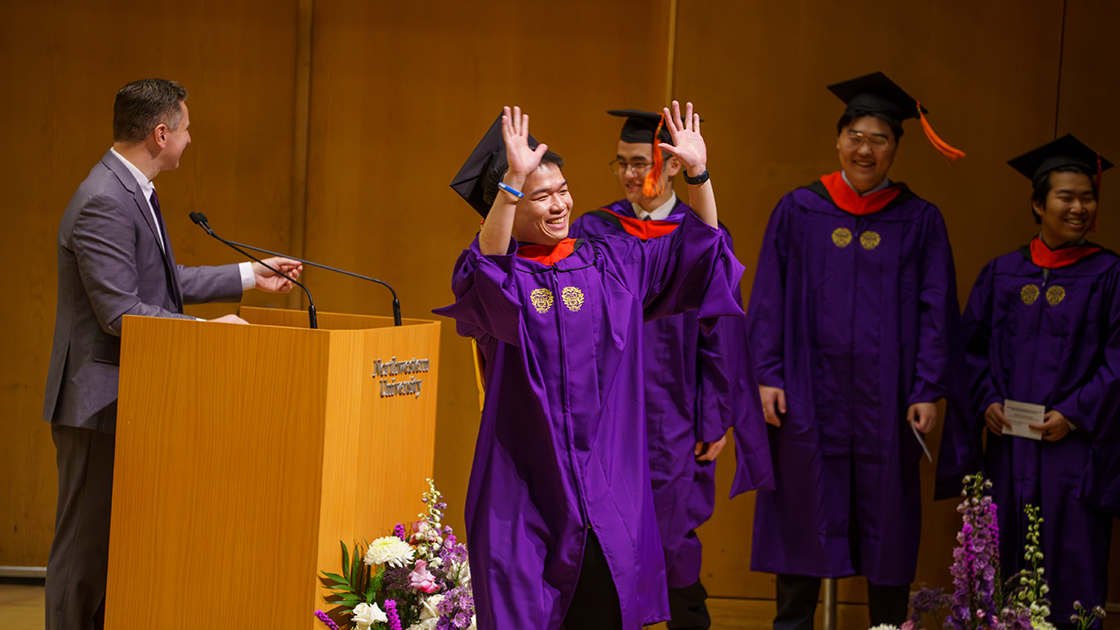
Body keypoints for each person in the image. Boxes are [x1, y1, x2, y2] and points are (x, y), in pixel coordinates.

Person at [436, 102, 743, 630]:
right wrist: (512, 179)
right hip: (525, 489)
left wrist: (698, 175)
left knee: (604, 607)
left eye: (563, 191)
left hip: (608, 484)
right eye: (541, 196)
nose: (559, 206)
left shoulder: (610, 263)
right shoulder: (495, 277)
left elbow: (700, 254)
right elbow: (486, 271)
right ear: (507, 202)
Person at [42, 78, 302, 630]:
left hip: (132, 396)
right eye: (185, 128)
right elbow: (121, 313)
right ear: (161, 133)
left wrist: (250, 275)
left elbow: (163, 282)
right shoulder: (105, 200)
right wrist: (206, 332)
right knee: (84, 557)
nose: (190, 138)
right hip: (97, 405)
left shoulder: (132, 189)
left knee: (117, 553)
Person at [745, 72, 966, 629]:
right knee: (800, 513)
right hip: (805, 393)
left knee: (885, 521)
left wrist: (928, 388)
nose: (866, 149)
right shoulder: (798, 210)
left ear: (896, 147)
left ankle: (888, 627)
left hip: (886, 402)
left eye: (880, 139)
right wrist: (766, 375)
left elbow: (936, 312)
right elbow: (766, 297)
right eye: (856, 136)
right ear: (838, 140)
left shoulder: (918, 220)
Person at [568, 109, 772, 629]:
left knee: (673, 530)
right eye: (622, 163)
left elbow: (720, 335)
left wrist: (714, 417)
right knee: (609, 531)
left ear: (674, 166)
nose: (631, 174)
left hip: (676, 413)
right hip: (610, 412)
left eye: (642, 162)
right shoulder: (595, 228)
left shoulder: (701, 232)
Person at [938, 135, 1116, 626]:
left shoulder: (1109, 276)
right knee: (1003, 563)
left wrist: (1077, 412)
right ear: (1038, 203)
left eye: (1087, 197)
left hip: (1074, 454)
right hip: (1009, 450)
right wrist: (987, 400)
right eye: (1066, 196)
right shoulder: (1002, 274)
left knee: (1073, 568)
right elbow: (969, 352)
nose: (1079, 207)